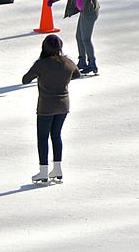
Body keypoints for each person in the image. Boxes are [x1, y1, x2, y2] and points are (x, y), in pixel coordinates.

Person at [47, 0, 129, 76]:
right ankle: (82, 62)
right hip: (82, 12)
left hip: (90, 12)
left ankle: (92, 64)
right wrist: (52, 0)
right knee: (79, 37)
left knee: (85, 38)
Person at [22, 34, 81, 184]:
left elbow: (25, 79)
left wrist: (40, 75)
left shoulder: (41, 64)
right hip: (63, 106)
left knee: (43, 138)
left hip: (46, 107)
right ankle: (57, 168)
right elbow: (77, 75)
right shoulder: (68, 62)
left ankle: (43, 171)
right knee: (56, 136)